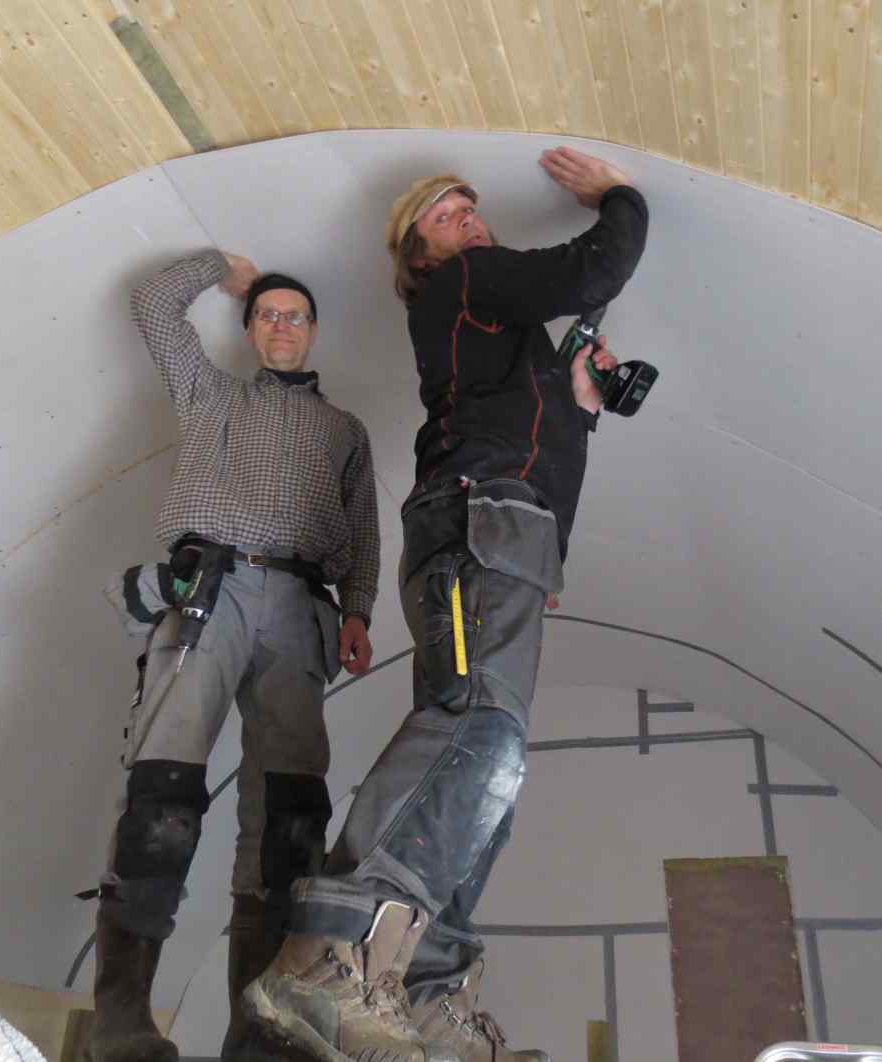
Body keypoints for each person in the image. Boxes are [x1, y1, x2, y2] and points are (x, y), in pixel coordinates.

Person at [243, 147, 648, 1062]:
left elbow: (546, 449)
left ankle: (423, 985)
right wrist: (619, 197)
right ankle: (329, 952)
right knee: (476, 729)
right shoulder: (463, 282)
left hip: (511, 531)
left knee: (492, 768)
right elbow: (596, 268)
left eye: (471, 208)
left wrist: (580, 405)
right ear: (420, 255)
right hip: (475, 522)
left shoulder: (506, 346)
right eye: (443, 214)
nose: (467, 218)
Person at [91, 252, 381, 1062]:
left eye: (294, 314)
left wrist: (358, 609)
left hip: (300, 607)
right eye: (267, 314)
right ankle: (121, 1018)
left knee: (292, 817)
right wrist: (222, 268)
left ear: (313, 330)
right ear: (251, 329)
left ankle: (259, 1035)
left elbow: (363, 529)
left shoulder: (344, 431)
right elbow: (152, 303)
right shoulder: (208, 392)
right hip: (207, 593)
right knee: (163, 790)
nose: (281, 324)